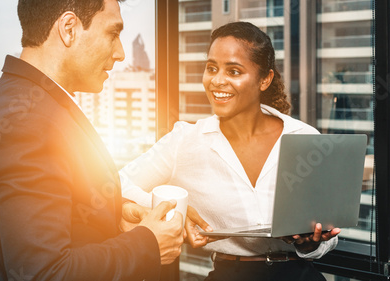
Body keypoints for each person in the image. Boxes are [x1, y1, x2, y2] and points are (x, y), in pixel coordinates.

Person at [0, 0, 184, 280]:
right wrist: (147, 245)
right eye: (113, 34)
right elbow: (44, 272)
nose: (120, 53)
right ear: (69, 29)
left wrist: (114, 216)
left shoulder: (33, 103)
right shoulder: (25, 123)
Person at [120, 22, 340, 281]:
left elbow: (329, 234)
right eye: (211, 68)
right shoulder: (185, 141)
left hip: (299, 275)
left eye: (233, 71)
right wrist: (170, 212)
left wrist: (310, 244)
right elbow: (118, 184)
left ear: (265, 79)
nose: (217, 80)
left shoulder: (304, 138)